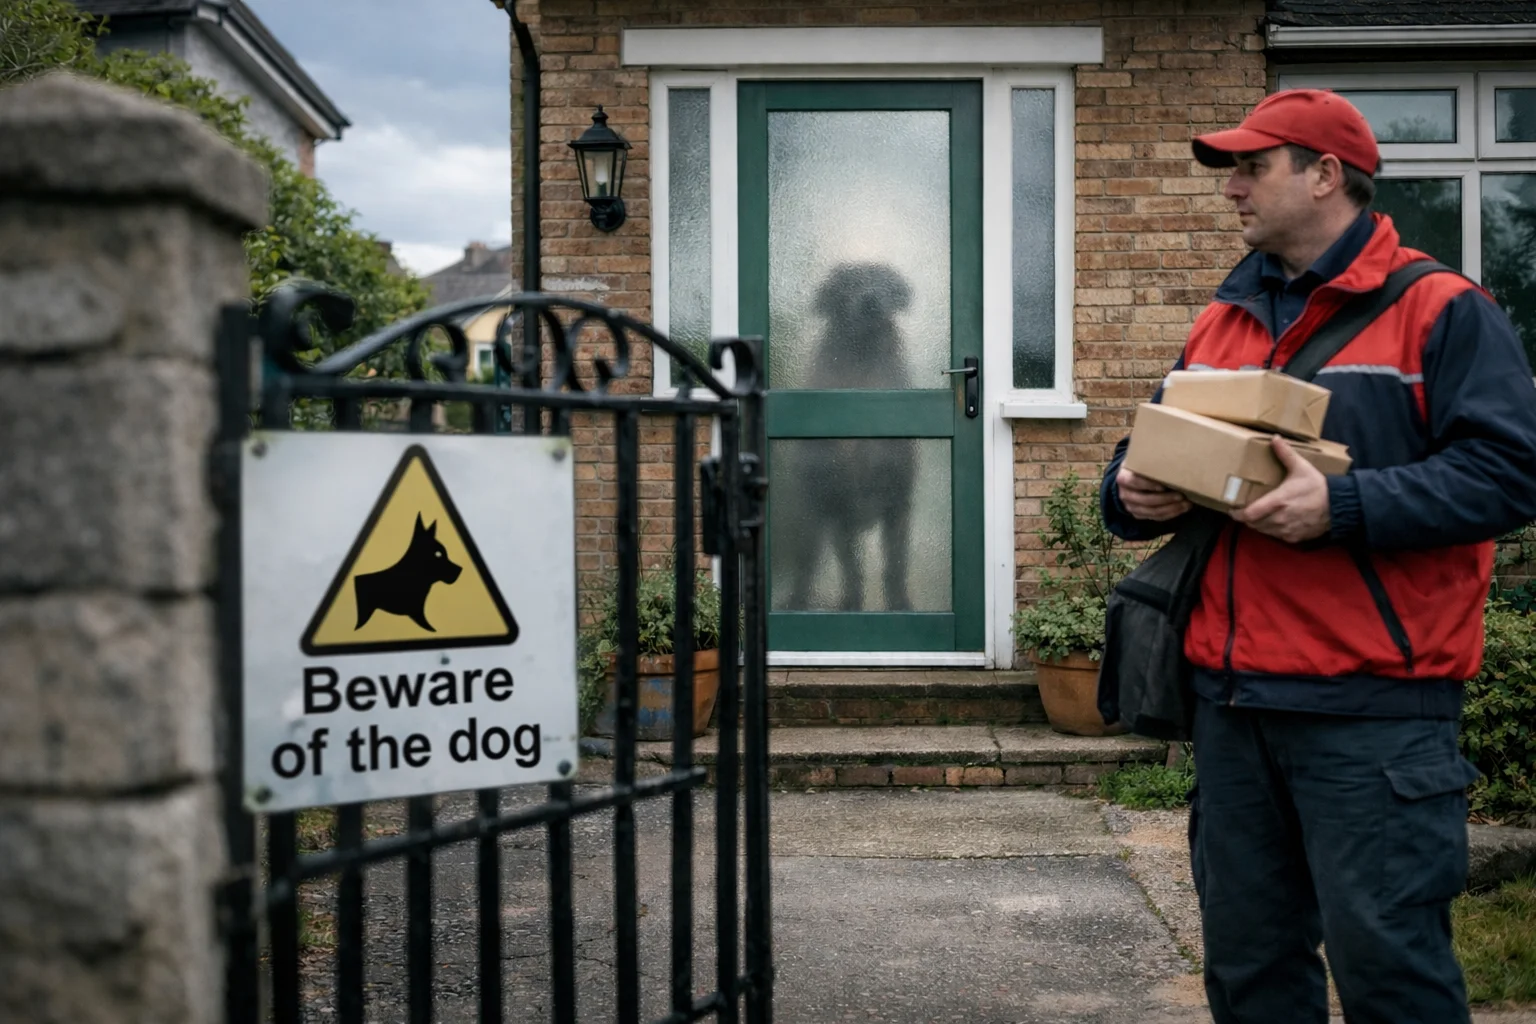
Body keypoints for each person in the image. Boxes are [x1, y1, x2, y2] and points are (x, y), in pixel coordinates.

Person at [1099, 88, 1536, 1024]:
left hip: (1372, 715)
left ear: (1326, 174)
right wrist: (1127, 492)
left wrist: (1345, 505)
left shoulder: (1443, 311)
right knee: (1251, 974)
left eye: (1253, 168)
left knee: (1391, 974)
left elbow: (1511, 476)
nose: (1233, 191)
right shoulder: (1224, 317)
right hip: (1232, 705)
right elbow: (1152, 450)